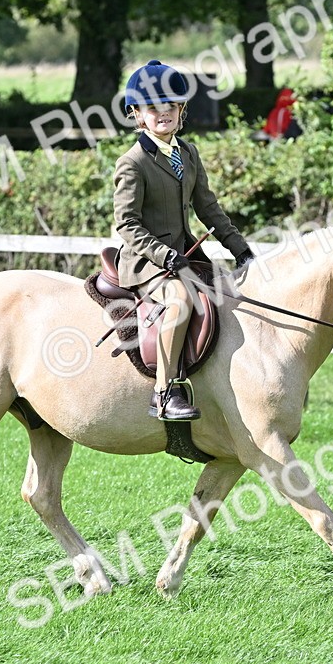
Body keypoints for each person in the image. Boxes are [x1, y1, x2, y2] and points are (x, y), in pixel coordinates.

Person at [113, 60, 254, 421]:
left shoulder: (187, 154)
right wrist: (165, 256)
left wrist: (241, 249)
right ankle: (162, 393)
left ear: (181, 110)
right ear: (138, 115)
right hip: (147, 263)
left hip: (188, 256)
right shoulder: (132, 163)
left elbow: (208, 208)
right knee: (179, 299)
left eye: (170, 106)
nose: (163, 113)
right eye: (153, 108)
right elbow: (127, 225)